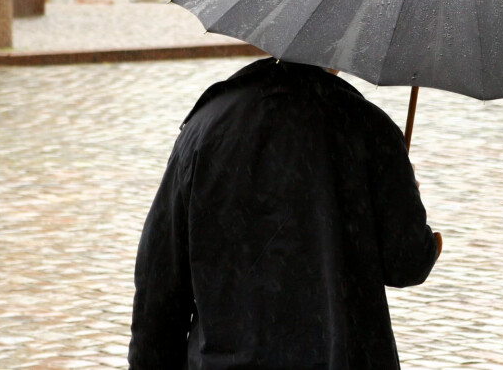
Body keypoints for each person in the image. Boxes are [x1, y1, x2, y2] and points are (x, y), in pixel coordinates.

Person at [129, 58, 442, 369]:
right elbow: (405, 263)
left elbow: (159, 283)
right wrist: (409, 199)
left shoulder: (203, 129)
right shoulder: (371, 128)